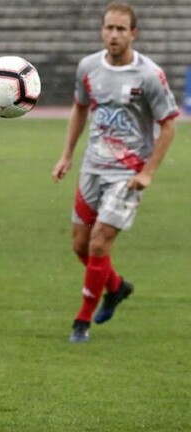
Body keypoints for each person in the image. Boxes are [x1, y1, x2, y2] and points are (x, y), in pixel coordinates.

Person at [52, 1, 178, 343]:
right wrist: (66, 155)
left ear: (133, 34)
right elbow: (80, 109)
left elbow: (169, 125)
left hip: (128, 174)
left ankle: (81, 322)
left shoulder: (149, 75)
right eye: (109, 27)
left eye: (121, 29)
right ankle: (117, 286)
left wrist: (148, 172)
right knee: (80, 245)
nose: (114, 34)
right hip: (92, 168)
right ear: (102, 30)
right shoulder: (88, 67)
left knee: (98, 243)